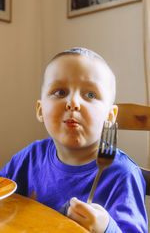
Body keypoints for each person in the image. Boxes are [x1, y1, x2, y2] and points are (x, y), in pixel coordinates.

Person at [0, 47, 148, 232]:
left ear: (110, 116)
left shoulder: (123, 174)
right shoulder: (30, 158)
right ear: (40, 110)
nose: (73, 103)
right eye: (60, 92)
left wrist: (106, 228)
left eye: (91, 95)